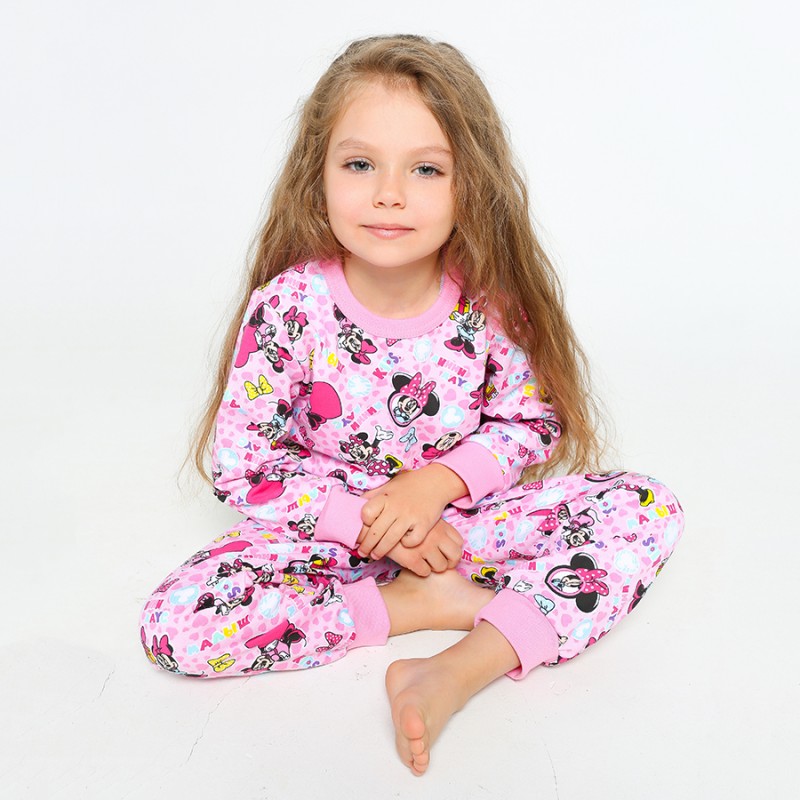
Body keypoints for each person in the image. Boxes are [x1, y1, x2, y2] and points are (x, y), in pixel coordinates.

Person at [139, 34, 684, 776]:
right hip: (327, 539)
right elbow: (244, 466)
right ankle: (419, 606)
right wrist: (373, 527)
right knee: (174, 625)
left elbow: (532, 421)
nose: (388, 193)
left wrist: (434, 487)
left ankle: (461, 666)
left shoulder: (488, 301)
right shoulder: (290, 306)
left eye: (425, 169)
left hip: (458, 529)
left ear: (470, 185)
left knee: (646, 506)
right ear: (317, 175)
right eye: (360, 164)